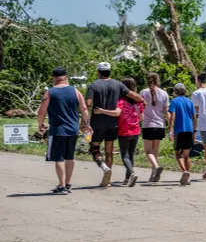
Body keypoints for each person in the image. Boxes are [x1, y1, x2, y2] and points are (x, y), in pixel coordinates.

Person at [86, 62, 143, 187]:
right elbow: (135, 96)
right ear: (110, 72)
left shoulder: (93, 85)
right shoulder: (118, 84)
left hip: (97, 123)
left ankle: (104, 167)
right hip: (113, 124)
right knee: (109, 151)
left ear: (98, 72)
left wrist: (84, 122)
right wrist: (142, 100)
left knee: (94, 148)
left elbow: (88, 104)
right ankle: (108, 179)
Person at [37, 67, 92, 195]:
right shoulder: (75, 91)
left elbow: (42, 112)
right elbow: (84, 108)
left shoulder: (50, 92)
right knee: (69, 157)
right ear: (65, 77)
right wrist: (87, 125)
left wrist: (40, 124)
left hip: (58, 130)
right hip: (73, 130)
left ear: (53, 78)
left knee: (59, 158)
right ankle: (68, 184)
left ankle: (61, 186)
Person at [140, 73, 169, 182]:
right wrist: (170, 125)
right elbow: (166, 111)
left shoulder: (143, 92)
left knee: (148, 151)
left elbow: (140, 109)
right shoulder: (164, 93)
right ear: (158, 80)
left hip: (148, 125)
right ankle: (153, 174)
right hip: (160, 125)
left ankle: (156, 167)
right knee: (155, 150)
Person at [116, 77, 144, 187]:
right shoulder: (139, 102)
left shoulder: (120, 101)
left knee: (125, 155)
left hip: (123, 131)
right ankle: (127, 178)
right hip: (136, 131)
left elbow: (117, 114)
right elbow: (141, 118)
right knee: (131, 155)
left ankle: (131, 173)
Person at [168, 83, 196, 186]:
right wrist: (195, 131)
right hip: (189, 130)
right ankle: (187, 177)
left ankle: (184, 171)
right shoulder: (190, 102)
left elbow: (172, 115)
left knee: (177, 153)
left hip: (179, 130)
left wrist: (170, 130)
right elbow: (194, 117)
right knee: (186, 155)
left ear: (175, 91)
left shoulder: (174, 101)